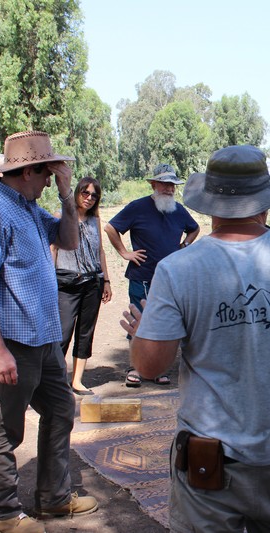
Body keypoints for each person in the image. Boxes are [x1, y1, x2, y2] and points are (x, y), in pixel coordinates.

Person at [120, 145, 270, 533]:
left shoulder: (178, 269)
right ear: (265, 202)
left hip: (208, 462)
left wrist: (141, 335)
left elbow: (149, 366)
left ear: (209, 205)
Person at [0, 131, 98, 533]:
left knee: (60, 411)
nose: (49, 180)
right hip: (11, 343)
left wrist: (64, 194)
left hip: (42, 339)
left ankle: (53, 499)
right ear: (28, 171)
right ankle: (2, 513)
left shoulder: (27, 206)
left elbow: (70, 239)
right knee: (5, 429)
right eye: (47, 173)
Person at [104, 163, 200, 387]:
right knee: (140, 319)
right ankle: (135, 368)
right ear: (153, 184)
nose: (169, 189)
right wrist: (124, 252)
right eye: (165, 184)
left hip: (171, 278)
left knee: (166, 320)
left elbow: (194, 228)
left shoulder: (178, 210)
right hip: (143, 274)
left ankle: (159, 369)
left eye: (172, 185)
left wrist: (184, 244)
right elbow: (110, 228)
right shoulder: (138, 207)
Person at [52, 176, 112, 395]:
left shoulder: (95, 220)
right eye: (85, 193)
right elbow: (53, 249)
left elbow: (100, 252)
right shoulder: (62, 217)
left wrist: (106, 280)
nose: (89, 198)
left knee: (85, 333)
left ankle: (77, 381)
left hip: (92, 282)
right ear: (77, 192)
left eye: (94, 195)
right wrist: (50, 280)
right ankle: (56, 380)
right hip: (66, 282)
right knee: (63, 332)